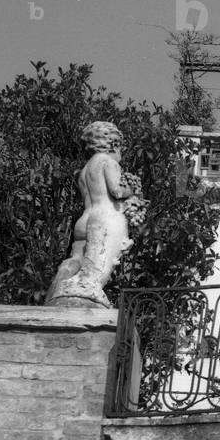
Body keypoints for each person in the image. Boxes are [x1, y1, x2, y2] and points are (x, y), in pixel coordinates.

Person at [46, 121, 145, 308]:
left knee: (76, 260)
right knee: (95, 271)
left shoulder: (84, 171)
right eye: (120, 147)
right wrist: (132, 189)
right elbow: (116, 191)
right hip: (105, 218)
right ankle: (88, 301)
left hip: (84, 220)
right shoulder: (108, 162)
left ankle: (59, 289)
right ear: (114, 144)